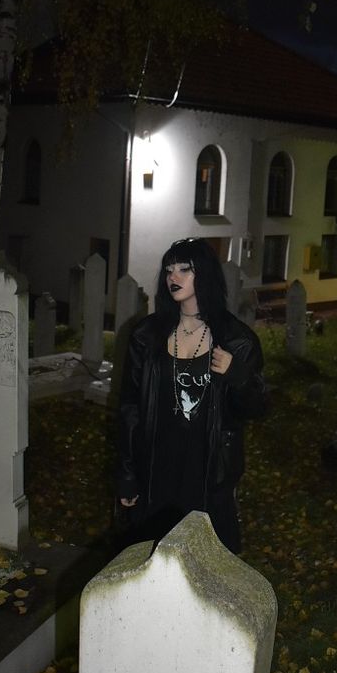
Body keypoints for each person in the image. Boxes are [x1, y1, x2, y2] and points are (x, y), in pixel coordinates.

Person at [117, 237, 266, 553]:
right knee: (151, 557)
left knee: (205, 563)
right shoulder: (147, 336)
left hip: (208, 471)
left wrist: (238, 375)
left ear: (206, 275)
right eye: (169, 270)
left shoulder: (236, 339)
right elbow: (130, 409)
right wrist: (128, 475)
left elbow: (256, 408)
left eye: (185, 269)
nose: (174, 277)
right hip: (157, 468)